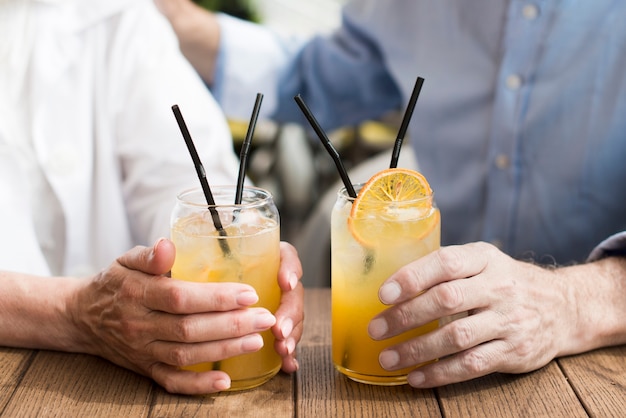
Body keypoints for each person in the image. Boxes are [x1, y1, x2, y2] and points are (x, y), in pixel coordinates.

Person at [156, 0, 626, 388]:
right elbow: (313, 77)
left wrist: (574, 303)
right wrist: (166, 18)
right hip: (429, 357)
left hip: (597, 361)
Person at [0, 0, 303, 395]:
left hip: (118, 384)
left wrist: (240, 250)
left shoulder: (122, 17)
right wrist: (74, 313)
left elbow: (182, 184)